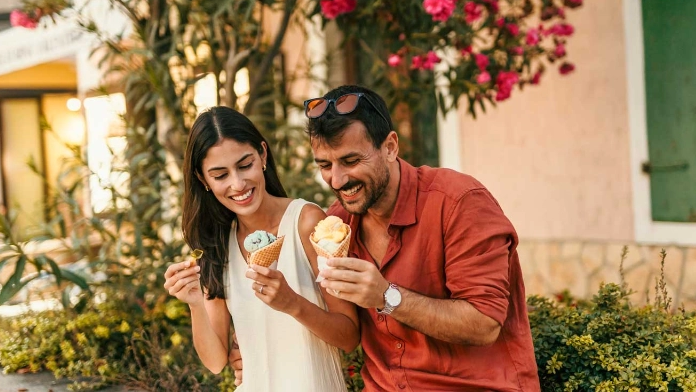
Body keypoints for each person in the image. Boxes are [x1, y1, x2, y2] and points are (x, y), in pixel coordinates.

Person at [307, 85, 541, 391]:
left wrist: (385, 296)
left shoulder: (459, 202)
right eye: (325, 165)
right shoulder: (339, 221)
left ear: (390, 147)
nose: (337, 180)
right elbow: (341, 328)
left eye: (351, 162)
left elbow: (485, 324)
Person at [163, 106, 358, 391]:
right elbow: (216, 361)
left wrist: (293, 304)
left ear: (263, 155)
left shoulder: (306, 222)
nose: (238, 184)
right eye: (220, 175)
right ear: (203, 180)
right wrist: (194, 303)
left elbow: (349, 336)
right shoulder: (217, 245)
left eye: (245, 165)